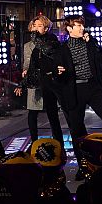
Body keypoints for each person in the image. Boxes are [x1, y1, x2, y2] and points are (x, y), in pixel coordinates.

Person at [54, 16, 102, 178]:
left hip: (93, 87)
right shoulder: (62, 49)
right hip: (75, 89)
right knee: (77, 130)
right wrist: (58, 72)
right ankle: (83, 166)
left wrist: (94, 44)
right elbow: (58, 74)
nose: (81, 28)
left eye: (82, 25)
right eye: (78, 25)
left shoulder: (90, 43)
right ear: (69, 29)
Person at [15, 15, 64, 145]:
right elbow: (27, 62)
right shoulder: (28, 45)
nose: (36, 28)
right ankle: (34, 141)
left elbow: (50, 53)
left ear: (46, 28)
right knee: (32, 112)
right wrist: (25, 73)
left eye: (39, 26)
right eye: (34, 26)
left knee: (52, 113)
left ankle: (58, 142)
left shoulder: (51, 41)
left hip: (48, 80)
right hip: (34, 81)